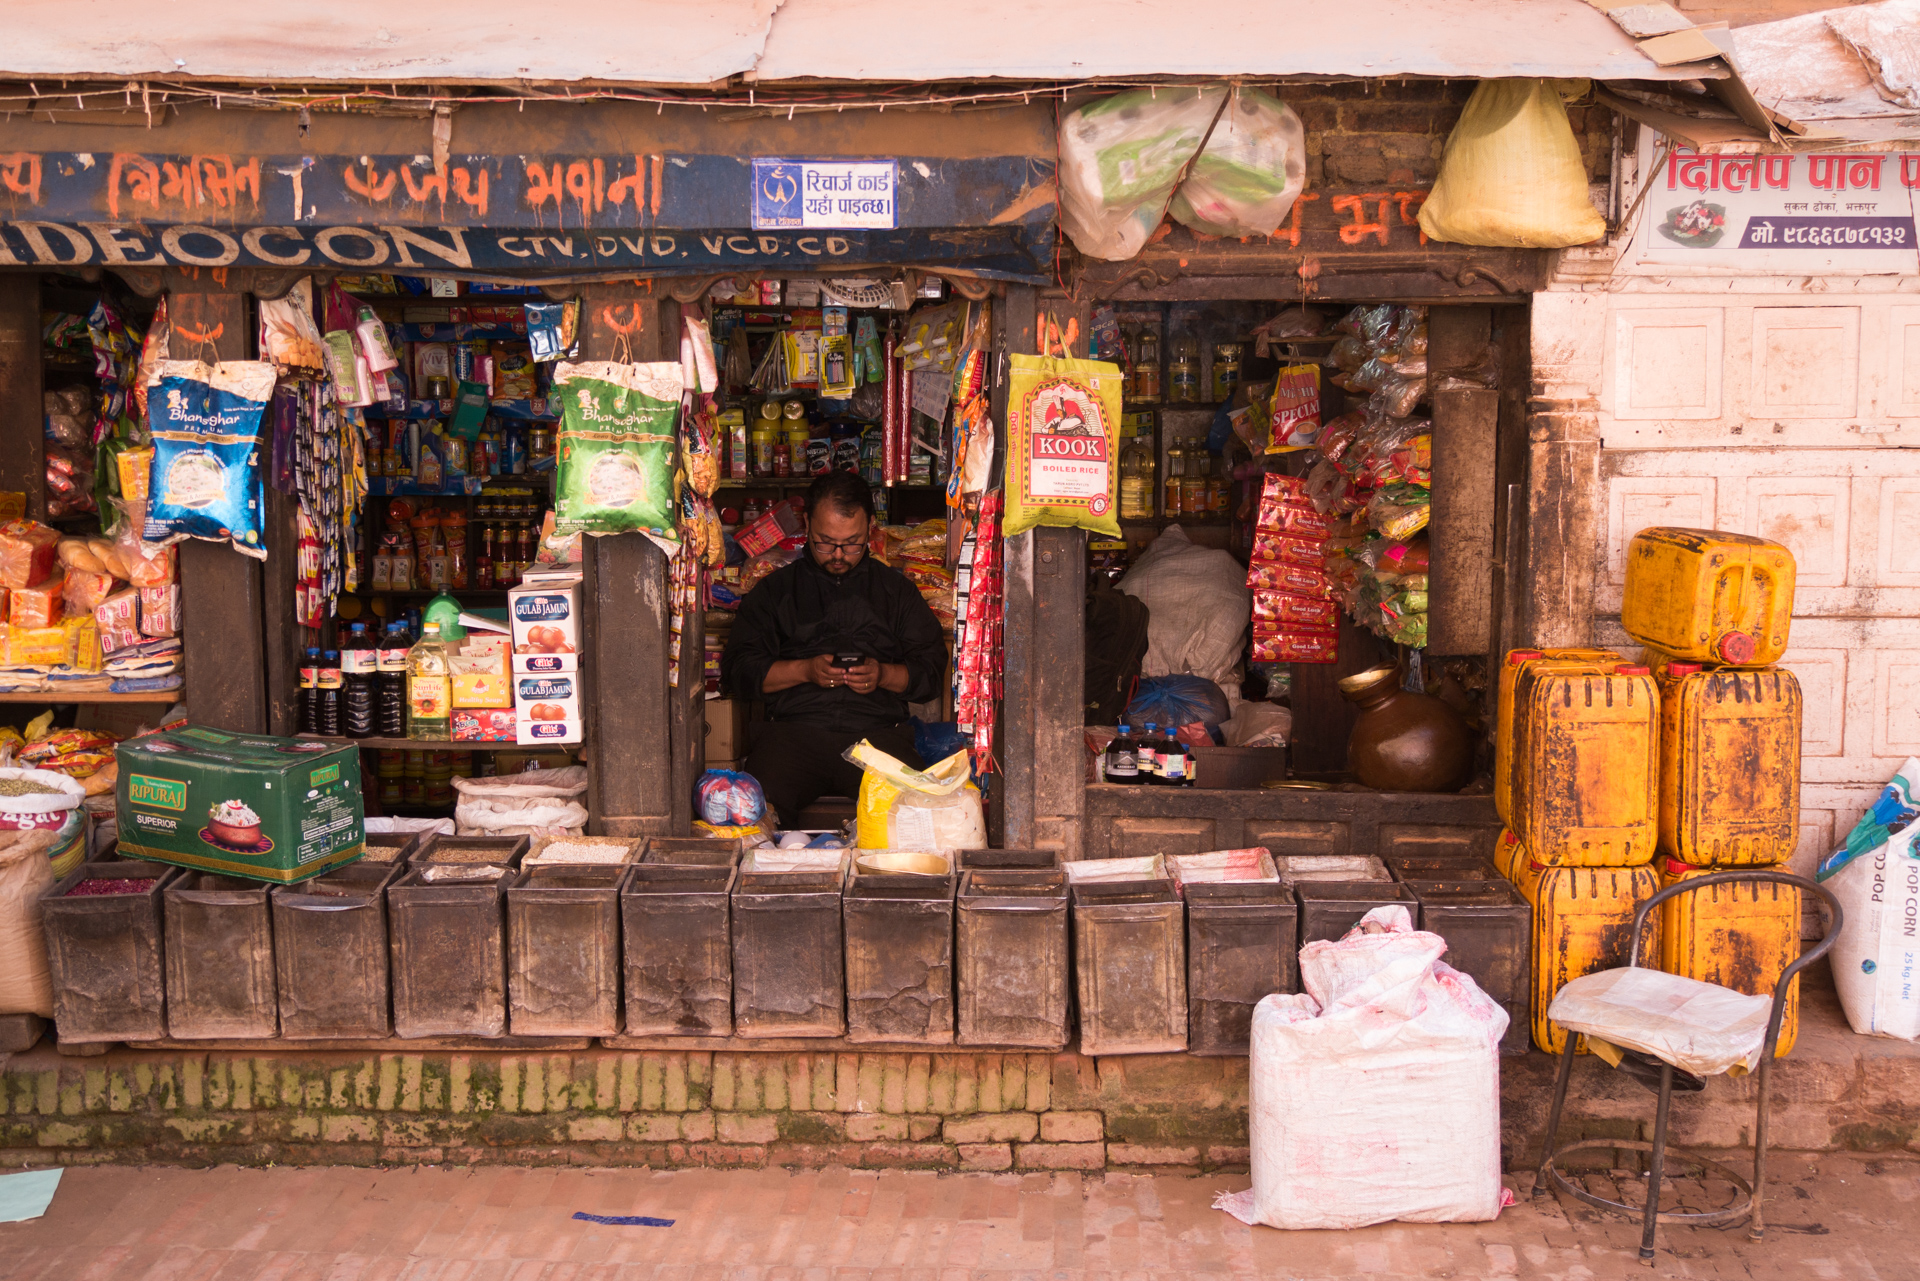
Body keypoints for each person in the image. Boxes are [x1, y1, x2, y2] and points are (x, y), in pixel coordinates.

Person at [722, 472, 948, 829]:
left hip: (877, 737)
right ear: (807, 523)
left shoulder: (897, 591)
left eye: (852, 543)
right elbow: (738, 671)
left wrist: (882, 675)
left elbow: (932, 673)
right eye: (825, 543)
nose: (838, 555)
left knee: (920, 821)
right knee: (747, 818)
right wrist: (805, 671)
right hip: (793, 735)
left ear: (871, 528)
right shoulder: (775, 591)